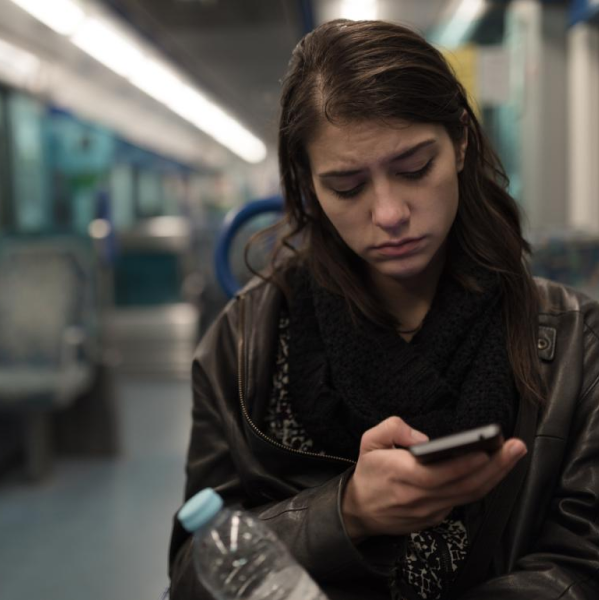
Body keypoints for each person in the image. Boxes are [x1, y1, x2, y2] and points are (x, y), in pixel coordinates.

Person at [168, 19, 599, 600]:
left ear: (462, 144)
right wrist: (347, 513)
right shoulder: (243, 342)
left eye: (415, 168)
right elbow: (195, 572)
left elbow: (582, 563)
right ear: (309, 187)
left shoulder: (575, 339)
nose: (390, 213)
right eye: (347, 187)